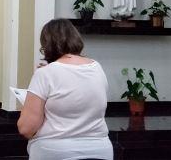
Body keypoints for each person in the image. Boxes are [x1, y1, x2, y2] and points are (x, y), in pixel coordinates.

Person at [17, 19, 113, 160]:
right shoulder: (97, 68)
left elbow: (26, 128)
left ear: (47, 44)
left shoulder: (45, 74)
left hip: (56, 151)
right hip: (100, 151)